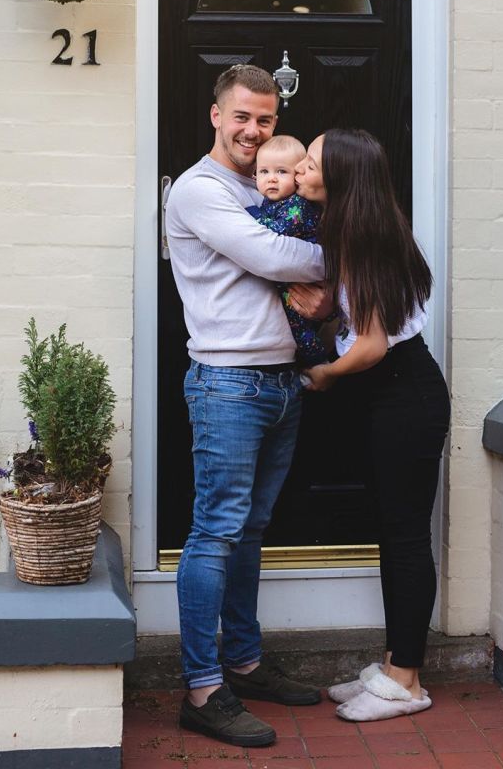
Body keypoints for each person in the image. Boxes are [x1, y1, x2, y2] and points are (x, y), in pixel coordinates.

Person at [164, 65, 325, 749]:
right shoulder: (202, 190)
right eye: (242, 118)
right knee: (216, 532)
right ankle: (203, 689)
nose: (254, 131)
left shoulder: (267, 183)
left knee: (252, 529)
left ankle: (246, 663)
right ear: (215, 116)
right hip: (229, 383)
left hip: (280, 382)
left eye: (265, 120)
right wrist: (339, 258)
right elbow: (269, 255)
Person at [290, 127, 451, 722]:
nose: (301, 168)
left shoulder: (365, 236)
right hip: (393, 395)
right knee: (393, 531)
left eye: (310, 162)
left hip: (404, 394)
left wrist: (327, 373)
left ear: (342, 176)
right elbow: (366, 317)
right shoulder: (355, 230)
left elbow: (375, 347)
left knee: (405, 536)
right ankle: (392, 667)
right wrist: (330, 308)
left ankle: (407, 681)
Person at [248, 134, 327, 367]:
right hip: (293, 279)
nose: (271, 179)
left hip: (305, 284)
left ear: (297, 175)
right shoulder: (272, 201)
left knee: (299, 326)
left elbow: (276, 232)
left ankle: (318, 362)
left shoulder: (297, 204)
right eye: (264, 172)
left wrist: (250, 215)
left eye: (281, 172)